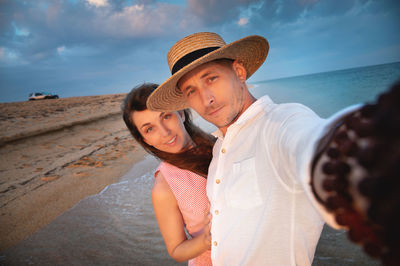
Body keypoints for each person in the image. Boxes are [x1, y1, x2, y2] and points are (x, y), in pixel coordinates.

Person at [146, 32, 399, 265]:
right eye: (192, 90)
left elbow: (312, 144)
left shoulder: (281, 122)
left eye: (211, 78)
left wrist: (366, 151)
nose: (206, 99)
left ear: (239, 71)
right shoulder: (218, 150)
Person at [122, 83, 215, 265]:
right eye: (149, 129)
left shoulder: (218, 143)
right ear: (144, 139)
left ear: (180, 112)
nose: (164, 132)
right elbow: (176, 250)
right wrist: (207, 239)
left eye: (166, 116)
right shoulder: (164, 188)